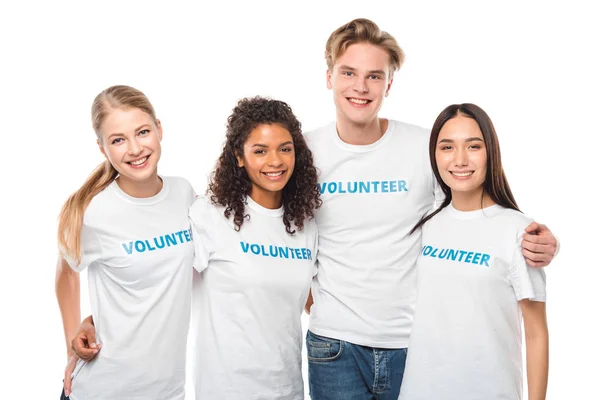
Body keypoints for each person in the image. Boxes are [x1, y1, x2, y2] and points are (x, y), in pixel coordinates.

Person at [303, 18, 557, 400]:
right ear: (328, 77)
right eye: (348, 72)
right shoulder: (303, 153)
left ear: (389, 84)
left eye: (374, 76)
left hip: (412, 346)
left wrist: (541, 239)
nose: (360, 86)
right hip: (333, 346)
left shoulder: (426, 147)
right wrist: (319, 304)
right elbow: (273, 224)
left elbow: (472, 210)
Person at [66, 97, 322, 400]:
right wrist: (85, 325)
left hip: (288, 389)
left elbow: (307, 300)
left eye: (285, 148)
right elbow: (157, 270)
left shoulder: (307, 227)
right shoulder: (208, 216)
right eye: (260, 150)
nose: (275, 161)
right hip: (222, 390)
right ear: (239, 157)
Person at [398, 103, 548, 399]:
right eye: (447, 147)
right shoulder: (425, 225)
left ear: (490, 152)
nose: (460, 159)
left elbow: (536, 333)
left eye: (473, 146)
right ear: (435, 156)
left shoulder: (520, 232)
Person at [55, 85, 195, 400]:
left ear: (159, 129)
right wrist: (71, 344)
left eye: (142, 132)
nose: (134, 149)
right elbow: (66, 273)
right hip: (101, 390)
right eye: (118, 140)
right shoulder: (91, 211)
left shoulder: (184, 194)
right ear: (103, 148)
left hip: (168, 392)